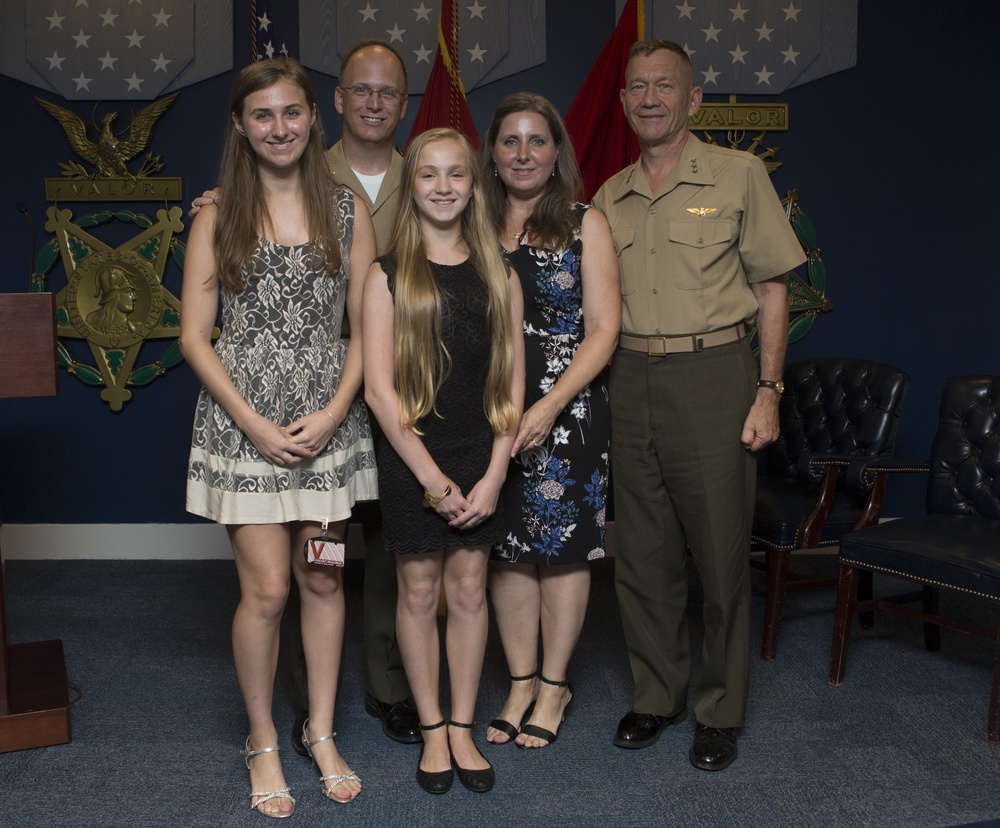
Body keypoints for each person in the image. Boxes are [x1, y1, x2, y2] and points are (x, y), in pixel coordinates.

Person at [190, 40, 420, 748]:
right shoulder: (216, 213)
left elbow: (362, 331)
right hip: (245, 431)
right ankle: (263, 738)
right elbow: (196, 337)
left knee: (322, 581)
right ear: (240, 124)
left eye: (292, 112)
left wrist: (330, 413)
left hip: (327, 431)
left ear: (317, 117)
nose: (280, 127)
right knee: (268, 591)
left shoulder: (347, 211)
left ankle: (320, 733)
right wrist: (255, 424)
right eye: (262, 115)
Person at [591, 39, 805, 772]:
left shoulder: (739, 175)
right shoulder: (606, 197)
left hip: (715, 374)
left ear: (693, 101)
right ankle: (656, 696)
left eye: (665, 86)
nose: (649, 98)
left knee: (718, 555)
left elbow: (775, 287)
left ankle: (719, 709)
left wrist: (768, 392)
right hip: (627, 378)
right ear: (623, 103)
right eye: (637, 87)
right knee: (642, 557)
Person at [362, 128, 524, 794]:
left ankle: (461, 723)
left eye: (456, 174)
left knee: (467, 591)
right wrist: (432, 481)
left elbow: (513, 384)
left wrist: (495, 473)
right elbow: (378, 389)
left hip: (481, 455)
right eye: (428, 174)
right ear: (412, 185)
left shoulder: (498, 272)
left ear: (473, 184)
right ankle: (431, 728)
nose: (443, 187)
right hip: (414, 457)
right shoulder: (386, 274)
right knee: (420, 590)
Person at [478, 93, 620, 749]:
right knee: (507, 551)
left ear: (557, 152)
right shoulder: (471, 221)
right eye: (511, 141)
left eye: (538, 141)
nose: (524, 153)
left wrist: (549, 403)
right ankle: (521, 679)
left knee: (561, 554)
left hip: (567, 410)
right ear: (494, 154)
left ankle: (556, 684)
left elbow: (604, 330)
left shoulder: (586, 223)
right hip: (491, 409)